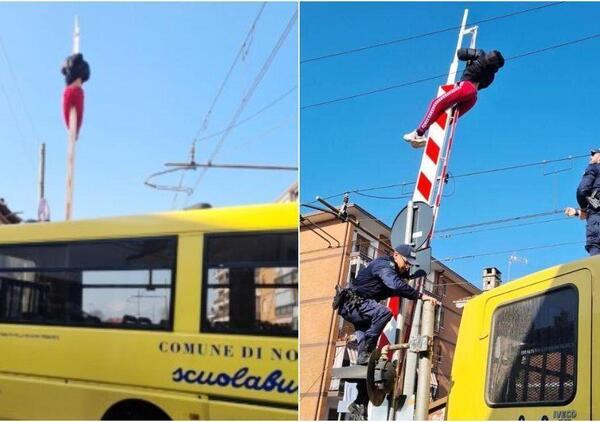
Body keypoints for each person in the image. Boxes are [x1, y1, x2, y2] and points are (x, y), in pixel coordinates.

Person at [333, 244, 436, 420]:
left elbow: (399, 282)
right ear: (395, 255)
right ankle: (365, 351)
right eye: (406, 262)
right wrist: (420, 295)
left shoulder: (396, 270)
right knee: (384, 312)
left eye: (411, 264)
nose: (408, 266)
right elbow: (393, 283)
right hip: (353, 305)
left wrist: (412, 275)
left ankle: (359, 403)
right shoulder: (383, 265)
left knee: (366, 365)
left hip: (362, 310)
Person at [403, 48, 505, 148]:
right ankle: (431, 136)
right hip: (473, 97)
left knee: (436, 103)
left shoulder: (480, 54)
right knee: (449, 117)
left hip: (466, 87)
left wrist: (471, 56)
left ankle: (419, 133)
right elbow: (483, 86)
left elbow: (460, 53)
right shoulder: (491, 76)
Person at [565, 149, 600, 255]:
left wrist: (583, 209)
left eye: (593, 155)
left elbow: (582, 191)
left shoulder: (594, 168)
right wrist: (576, 212)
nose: (590, 157)